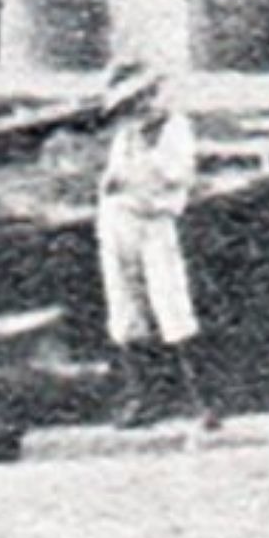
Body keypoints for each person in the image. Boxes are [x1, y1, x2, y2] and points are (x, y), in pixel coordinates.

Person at [95, 61, 219, 431]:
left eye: (141, 99)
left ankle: (201, 401)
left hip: (154, 223)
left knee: (172, 305)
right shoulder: (127, 136)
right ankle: (143, 398)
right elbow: (112, 182)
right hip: (119, 223)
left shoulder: (174, 129)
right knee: (126, 310)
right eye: (129, 103)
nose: (137, 109)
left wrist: (134, 176)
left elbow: (175, 174)